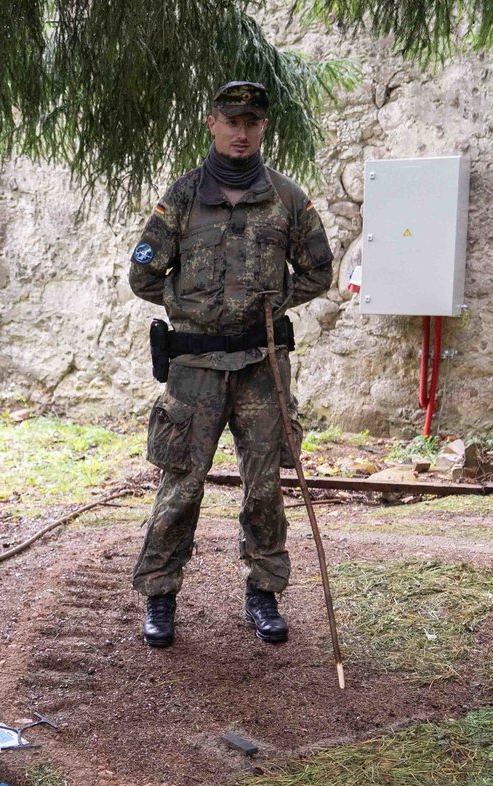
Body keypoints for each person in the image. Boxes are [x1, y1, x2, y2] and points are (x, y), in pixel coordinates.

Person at [128, 82, 334, 649]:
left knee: (264, 487)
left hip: (262, 367)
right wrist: (193, 308)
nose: (241, 133)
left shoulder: (287, 199)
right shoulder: (183, 196)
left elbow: (318, 270)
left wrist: (272, 306)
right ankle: (160, 595)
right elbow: (143, 274)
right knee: (181, 484)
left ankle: (263, 592)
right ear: (212, 124)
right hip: (195, 367)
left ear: (263, 128)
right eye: (231, 121)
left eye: (251, 122)